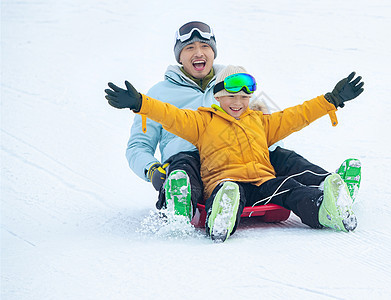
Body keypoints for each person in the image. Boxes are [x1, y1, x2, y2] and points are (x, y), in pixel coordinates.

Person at [123, 20, 361, 223]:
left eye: (205, 46)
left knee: (281, 155)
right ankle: (180, 202)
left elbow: (281, 120)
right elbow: (138, 146)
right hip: (194, 160)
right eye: (189, 48)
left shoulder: (234, 80)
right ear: (179, 56)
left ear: (213, 52)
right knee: (183, 164)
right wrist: (152, 169)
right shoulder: (157, 95)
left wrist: (331, 101)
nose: (198, 53)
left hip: (244, 156)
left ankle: (330, 186)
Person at [105, 65, 365, 242]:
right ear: (218, 97)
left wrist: (331, 99)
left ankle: (326, 210)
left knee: (292, 188)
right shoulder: (202, 121)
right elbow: (170, 115)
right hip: (225, 181)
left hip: (264, 182)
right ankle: (221, 219)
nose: (237, 103)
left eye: (243, 97)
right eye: (230, 96)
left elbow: (297, 115)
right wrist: (140, 103)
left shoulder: (260, 121)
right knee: (229, 192)